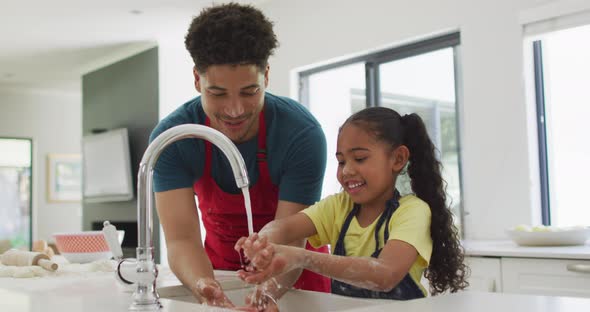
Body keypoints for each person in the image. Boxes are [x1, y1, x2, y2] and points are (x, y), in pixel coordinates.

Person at [149, 2, 330, 310]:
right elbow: (181, 240)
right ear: (197, 80)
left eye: (249, 92)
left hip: (298, 281)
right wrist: (203, 286)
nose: (235, 110)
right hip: (216, 271)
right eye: (217, 94)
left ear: (267, 77)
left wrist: (267, 294)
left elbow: (291, 239)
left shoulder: (301, 133)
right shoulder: (174, 140)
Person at [236, 107, 469, 300]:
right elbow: (285, 228)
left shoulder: (413, 212)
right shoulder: (338, 207)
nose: (346, 171)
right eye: (341, 161)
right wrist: (263, 242)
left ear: (397, 159)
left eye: (360, 159)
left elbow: (385, 275)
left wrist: (302, 256)